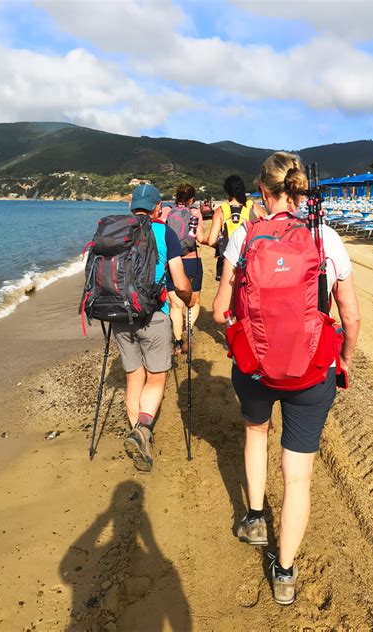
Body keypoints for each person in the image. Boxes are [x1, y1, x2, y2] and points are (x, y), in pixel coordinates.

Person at [212, 152, 360, 606]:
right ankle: (286, 570)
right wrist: (345, 359)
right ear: (299, 191)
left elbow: (220, 312)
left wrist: (247, 331)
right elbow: (350, 317)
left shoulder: (245, 237)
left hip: (255, 368)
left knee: (256, 432)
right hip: (313, 370)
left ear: (263, 192)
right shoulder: (326, 238)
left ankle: (255, 518)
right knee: (298, 476)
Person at [113, 184, 193, 472]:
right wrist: (188, 297)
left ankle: (137, 432)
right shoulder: (164, 232)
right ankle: (143, 431)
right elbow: (180, 281)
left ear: (131, 206)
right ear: (158, 207)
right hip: (154, 314)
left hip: (119, 314)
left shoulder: (116, 231)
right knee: (156, 378)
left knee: (134, 378)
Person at [166, 183, 205, 354]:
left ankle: (178, 342)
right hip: (191, 261)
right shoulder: (195, 213)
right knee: (193, 301)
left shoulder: (167, 212)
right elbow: (201, 237)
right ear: (191, 199)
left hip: (172, 261)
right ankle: (188, 331)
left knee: (175, 305)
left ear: (176, 197)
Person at [206, 175, 264, 280]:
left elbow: (211, 241)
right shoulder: (254, 207)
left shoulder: (221, 210)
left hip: (227, 261)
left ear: (227, 192)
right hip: (250, 259)